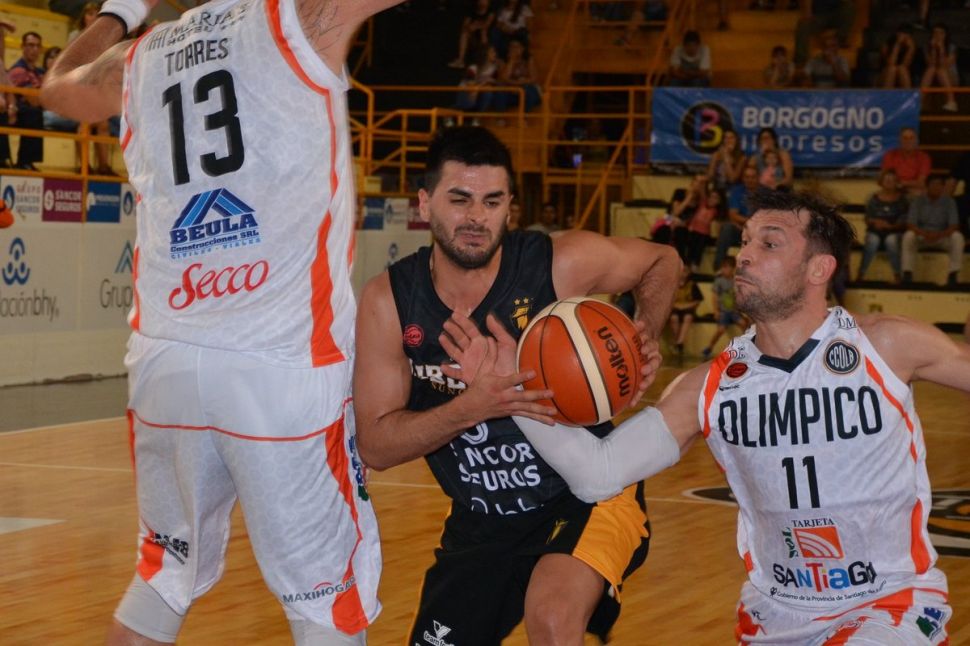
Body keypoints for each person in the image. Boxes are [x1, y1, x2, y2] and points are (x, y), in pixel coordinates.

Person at [447, 187, 963, 645]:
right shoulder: (709, 387)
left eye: (770, 243)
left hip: (888, 605)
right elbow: (598, 474)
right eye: (745, 240)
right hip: (776, 615)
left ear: (819, 269)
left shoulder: (886, 345)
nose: (744, 254)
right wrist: (514, 389)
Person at [41, 0, 402, 641]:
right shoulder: (297, 17)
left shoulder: (140, 55)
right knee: (325, 603)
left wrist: (120, 11)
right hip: (280, 361)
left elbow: (58, 90)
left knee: (161, 577)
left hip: (166, 362)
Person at [353, 125, 681, 645]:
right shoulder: (389, 301)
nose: (476, 217)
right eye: (459, 200)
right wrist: (474, 405)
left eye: (492, 201)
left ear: (510, 207)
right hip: (482, 517)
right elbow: (375, 445)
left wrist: (645, 335)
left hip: (585, 495)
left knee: (551, 618)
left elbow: (662, 260)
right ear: (424, 203)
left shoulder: (557, 263)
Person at [901, 173, 964, 286]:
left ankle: (953, 274)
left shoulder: (949, 202)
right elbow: (910, 224)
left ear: (943, 187)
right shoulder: (917, 202)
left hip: (942, 237)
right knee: (908, 236)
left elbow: (954, 225)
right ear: (927, 186)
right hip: (922, 236)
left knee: (957, 237)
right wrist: (925, 233)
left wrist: (939, 234)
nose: (936, 187)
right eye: (933, 184)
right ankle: (907, 273)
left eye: (939, 185)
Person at [857, 169, 908, 283]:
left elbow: (904, 219)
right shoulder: (873, 198)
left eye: (892, 180)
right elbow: (867, 218)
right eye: (886, 180)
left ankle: (897, 276)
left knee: (891, 241)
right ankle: (861, 274)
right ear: (881, 182)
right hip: (875, 230)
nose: (889, 182)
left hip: (895, 231)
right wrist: (876, 222)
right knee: (872, 241)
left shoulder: (903, 200)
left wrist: (891, 226)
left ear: (896, 182)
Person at [7, 31, 46, 170]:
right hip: (18, 112)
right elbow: (34, 101)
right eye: (30, 45)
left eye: (37, 46)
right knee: (33, 113)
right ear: (22, 47)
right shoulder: (18, 70)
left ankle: (27, 161)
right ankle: (24, 162)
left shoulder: (41, 72)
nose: (34, 49)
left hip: (40, 110)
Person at [714, 165, 760, 269]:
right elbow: (733, 215)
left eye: (752, 177)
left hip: (758, 231)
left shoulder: (765, 194)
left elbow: (766, 218)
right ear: (743, 178)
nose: (750, 180)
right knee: (727, 228)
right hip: (740, 229)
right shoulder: (737, 191)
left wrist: (749, 225)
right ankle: (719, 268)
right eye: (747, 177)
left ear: (758, 177)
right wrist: (747, 224)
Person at [701, 256, 746, 358]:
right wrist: (716, 311)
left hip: (734, 311)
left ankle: (746, 346)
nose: (723, 270)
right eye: (723, 267)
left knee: (743, 324)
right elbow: (714, 297)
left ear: (733, 269)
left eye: (726, 267)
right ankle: (710, 347)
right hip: (723, 311)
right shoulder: (719, 281)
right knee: (721, 329)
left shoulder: (736, 280)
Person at [881, 126, 931, 195]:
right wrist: (901, 184)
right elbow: (885, 179)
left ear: (916, 140)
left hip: (913, 191)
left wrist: (902, 183)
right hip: (894, 189)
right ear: (900, 140)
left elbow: (920, 182)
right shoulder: (890, 155)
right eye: (905, 138)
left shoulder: (924, 157)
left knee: (919, 192)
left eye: (911, 138)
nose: (908, 141)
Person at [920, 23, 959, 112]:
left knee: (940, 70)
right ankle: (920, 101)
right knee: (932, 69)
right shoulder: (927, 47)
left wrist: (941, 48)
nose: (938, 35)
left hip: (950, 76)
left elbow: (944, 65)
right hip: (932, 77)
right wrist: (934, 49)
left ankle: (951, 102)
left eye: (941, 33)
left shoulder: (952, 47)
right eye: (935, 33)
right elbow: (930, 64)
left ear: (946, 35)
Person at [685, 187, 724, 272]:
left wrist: (717, 237)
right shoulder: (702, 204)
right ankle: (687, 263)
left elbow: (716, 227)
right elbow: (702, 193)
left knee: (700, 245)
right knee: (692, 243)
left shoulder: (716, 212)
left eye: (715, 198)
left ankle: (695, 264)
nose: (712, 199)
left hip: (705, 234)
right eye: (711, 197)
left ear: (719, 201)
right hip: (694, 230)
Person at [448, 0, 495, 69]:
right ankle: (460, 60)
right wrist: (470, 26)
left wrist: (475, 26)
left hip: (485, 38)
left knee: (483, 32)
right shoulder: (472, 11)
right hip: (473, 37)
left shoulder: (491, 12)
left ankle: (482, 62)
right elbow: (465, 25)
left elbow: (486, 25)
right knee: (464, 33)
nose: (482, 2)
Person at [667, 265, 703, 355]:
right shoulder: (672, 283)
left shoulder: (692, 284)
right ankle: (678, 342)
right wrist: (677, 306)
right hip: (674, 307)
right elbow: (666, 300)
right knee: (673, 318)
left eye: (685, 271)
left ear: (688, 273)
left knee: (688, 317)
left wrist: (685, 306)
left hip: (688, 308)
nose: (683, 273)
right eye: (682, 270)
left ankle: (679, 342)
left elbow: (698, 301)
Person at [706, 128, 746, 194]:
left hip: (733, 190)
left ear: (736, 140)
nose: (728, 140)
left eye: (731, 138)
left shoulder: (742, 157)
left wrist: (726, 156)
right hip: (717, 189)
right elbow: (710, 177)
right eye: (726, 138)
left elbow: (732, 179)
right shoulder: (717, 155)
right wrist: (714, 160)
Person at [881, 24, 916, 89]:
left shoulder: (911, 46)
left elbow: (906, 65)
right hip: (886, 74)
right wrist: (897, 44)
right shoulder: (887, 45)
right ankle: (886, 95)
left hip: (904, 75)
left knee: (902, 69)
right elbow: (890, 63)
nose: (904, 37)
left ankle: (906, 95)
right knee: (892, 69)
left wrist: (910, 49)